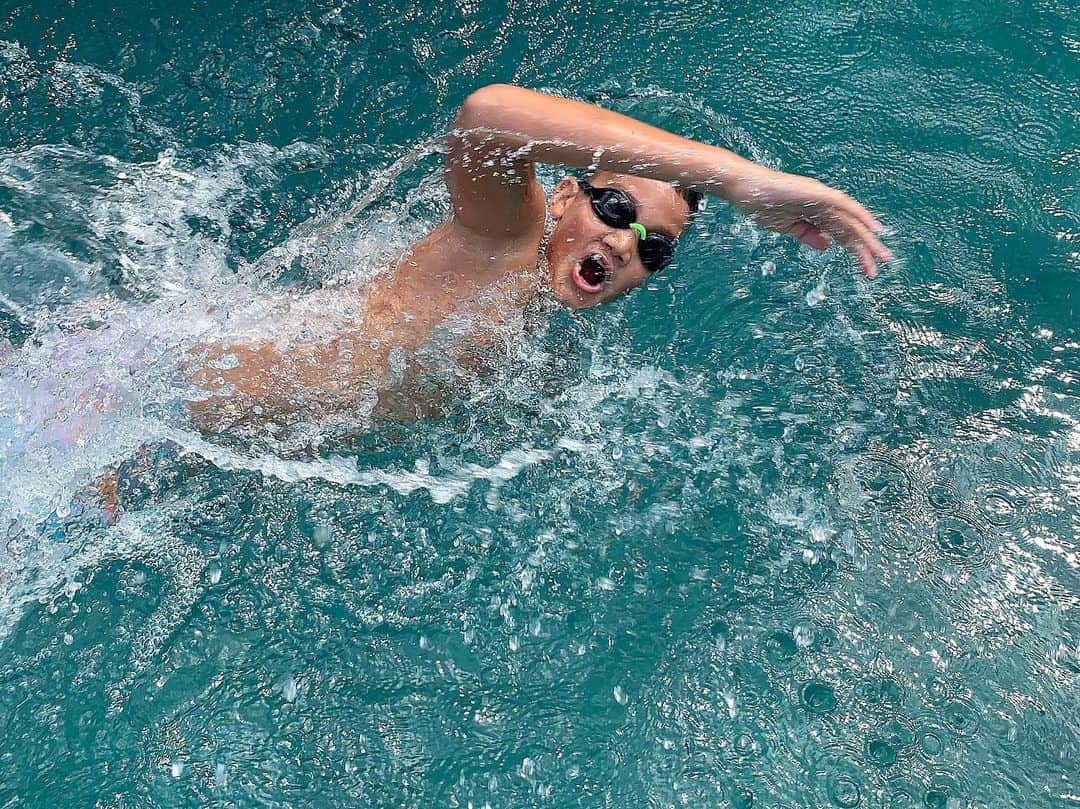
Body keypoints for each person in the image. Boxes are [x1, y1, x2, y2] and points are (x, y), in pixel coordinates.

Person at [183, 84, 892, 431]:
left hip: (188, 449)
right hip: (133, 402)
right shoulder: (506, 239)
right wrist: (731, 177)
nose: (624, 242)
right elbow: (488, 117)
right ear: (561, 200)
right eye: (615, 210)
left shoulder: (538, 334)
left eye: (655, 247)